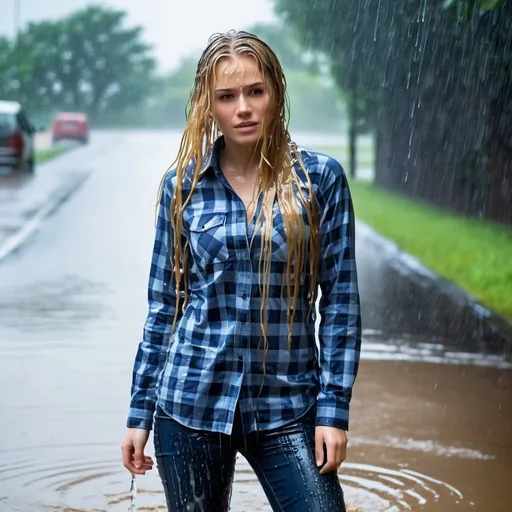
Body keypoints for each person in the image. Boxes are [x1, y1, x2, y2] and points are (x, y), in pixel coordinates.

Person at [121, 30, 361, 512]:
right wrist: (138, 412)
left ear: (276, 93)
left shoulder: (320, 180)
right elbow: (165, 305)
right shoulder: (183, 186)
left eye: (255, 91)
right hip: (190, 404)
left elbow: (340, 303)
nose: (243, 108)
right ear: (208, 106)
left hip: (288, 406)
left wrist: (333, 410)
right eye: (226, 97)